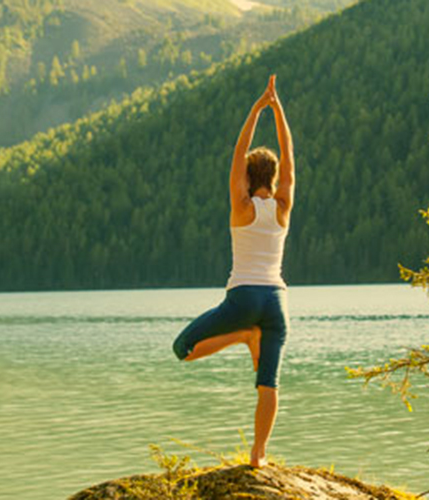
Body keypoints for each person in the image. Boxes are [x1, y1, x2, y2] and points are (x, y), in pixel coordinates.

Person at [171, 74, 294, 469]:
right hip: (276, 302)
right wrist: (279, 111)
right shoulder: (282, 207)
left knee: (183, 350)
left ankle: (242, 337)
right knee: (268, 382)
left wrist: (257, 108)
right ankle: (259, 456)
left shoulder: (240, 206)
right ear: (273, 179)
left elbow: (238, 152)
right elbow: (290, 155)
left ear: (246, 176)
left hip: (242, 299)